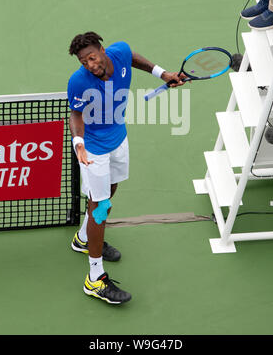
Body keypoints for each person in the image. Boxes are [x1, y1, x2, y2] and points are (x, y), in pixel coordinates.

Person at [67, 31, 186, 304]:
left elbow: (132, 57)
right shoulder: (78, 82)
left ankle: (83, 239)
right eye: (83, 62)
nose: (90, 65)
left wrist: (161, 73)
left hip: (119, 139)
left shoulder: (120, 52)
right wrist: (79, 144)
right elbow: (75, 115)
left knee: (111, 189)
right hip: (94, 148)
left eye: (92, 57)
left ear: (103, 50)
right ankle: (94, 279)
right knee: (100, 207)